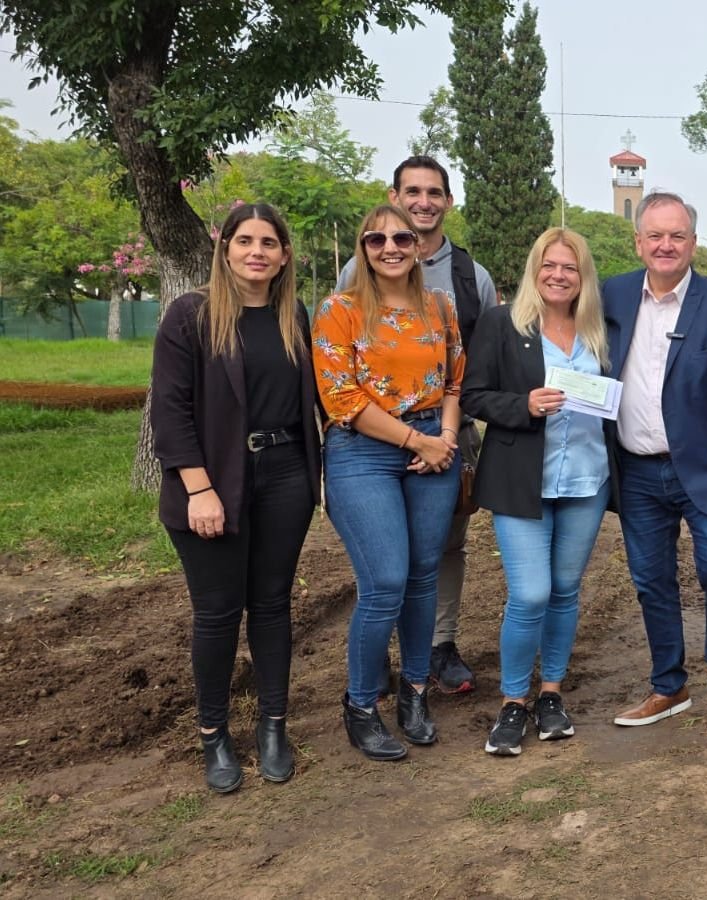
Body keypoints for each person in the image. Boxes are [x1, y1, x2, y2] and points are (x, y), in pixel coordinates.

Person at [151, 203, 321, 792]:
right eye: (244, 240)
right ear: (225, 249)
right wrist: (199, 488)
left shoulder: (291, 315)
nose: (257, 251)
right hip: (213, 481)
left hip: (285, 478)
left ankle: (274, 725)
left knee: (273, 606)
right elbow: (169, 412)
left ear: (284, 255)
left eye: (268, 242)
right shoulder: (190, 316)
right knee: (219, 614)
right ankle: (214, 735)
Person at [604, 191, 707, 742]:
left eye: (677, 236)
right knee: (651, 581)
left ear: (693, 243)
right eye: (655, 235)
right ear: (639, 242)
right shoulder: (613, 296)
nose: (665, 245)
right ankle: (669, 685)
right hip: (638, 472)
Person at [337, 156, 498, 693]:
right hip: (372, 437)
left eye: (435, 192)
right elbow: (341, 369)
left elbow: (481, 363)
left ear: (448, 202)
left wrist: (449, 438)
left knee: (443, 549)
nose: (424, 201)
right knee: (385, 555)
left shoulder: (470, 278)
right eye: (413, 191)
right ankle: (380, 648)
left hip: (450, 434)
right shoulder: (355, 275)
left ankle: (438, 647)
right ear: (395, 196)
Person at [314, 203, 464, 761]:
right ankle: (360, 704)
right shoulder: (340, 310)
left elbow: (454, 379)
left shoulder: (439, 307)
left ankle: (416, 693)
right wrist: (415, 441)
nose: (391, 247)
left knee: (425, 575)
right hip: (364, 451)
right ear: (363, 248)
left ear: (419, 244)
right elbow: (342, 397)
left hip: (432, 448)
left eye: (401, 237)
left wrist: (443, 439)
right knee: (385, 581)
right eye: (376, 240)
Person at [461, 228, 612, 756]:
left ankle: (551, 693)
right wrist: (522, 405)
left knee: (566, 591)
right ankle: (511, 701)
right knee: (530, 594)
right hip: (520, 481)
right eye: (549, 265)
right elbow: (474, 395)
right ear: (534, 268)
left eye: (570, 268)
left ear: (583, 275)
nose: (558, 275)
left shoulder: (599, 329)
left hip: (585, 480)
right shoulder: (503, 324)